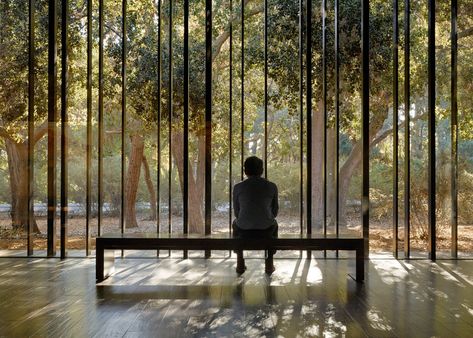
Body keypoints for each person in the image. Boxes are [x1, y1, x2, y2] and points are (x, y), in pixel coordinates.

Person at [233, 156, 279, 275]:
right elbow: (275, 212)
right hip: (266, 230)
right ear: (262, 170)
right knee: (275, 224)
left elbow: (237, 212)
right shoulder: (272, 186)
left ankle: (240, 263)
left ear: (245, 171)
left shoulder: (237, 187)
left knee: (235, 223)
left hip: (244, 230)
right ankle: (269, 263)